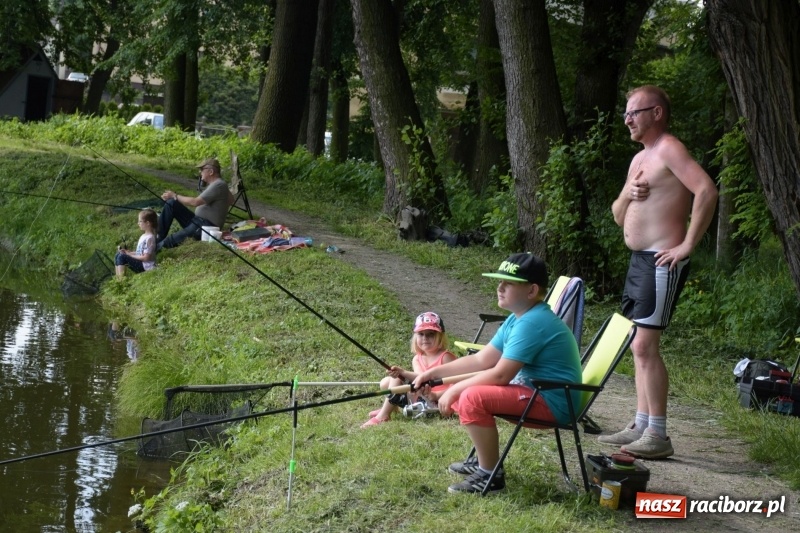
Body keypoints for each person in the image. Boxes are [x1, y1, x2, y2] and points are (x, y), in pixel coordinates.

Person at [599, 85, 718, 459]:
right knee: (638, 346)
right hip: (639, 262)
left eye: (635, 112)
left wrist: (686, 246)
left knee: (645, 345)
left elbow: (707, 190)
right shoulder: (639, 159)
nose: (628, 119)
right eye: (626, 114)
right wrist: (628, 195)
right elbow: (618, 215)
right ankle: (641, 423)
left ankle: (659, 434)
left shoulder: (669, 148)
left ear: (657, 114)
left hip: (661, 261)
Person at [412, 253, 582, 494]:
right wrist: (433, 373)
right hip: (536, 392)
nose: (499, 287)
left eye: (508, 283)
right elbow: (482, 359)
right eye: (499, 281)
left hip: (553, 401)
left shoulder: (532, 323)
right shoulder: (518, 318)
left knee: (471, 396)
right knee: (467, 392)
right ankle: (484, 462)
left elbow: (501, 375)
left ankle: (490, 475)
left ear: (531, 290)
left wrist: (454, 390)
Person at [361, 312, 456, 428]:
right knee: (386, 382)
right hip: (421, 397)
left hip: (437, 402)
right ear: (415, 337)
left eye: (430, 334)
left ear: (440, 336)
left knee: (396, 381)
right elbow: (420, 377)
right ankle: (392, 407)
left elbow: (457, 384)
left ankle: (383, 416)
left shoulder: (446, 357)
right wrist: (401, 374)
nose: (425, 338)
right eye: (421, 334)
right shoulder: (417, 358)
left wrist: (436, 395)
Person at [157, 158, 234, 250]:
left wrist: (175, 195)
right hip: (197, 220)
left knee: (170, 241)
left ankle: (149, 253)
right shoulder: (219, 184)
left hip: (205, 227)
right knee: (172, 203)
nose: (200, 172)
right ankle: (158, 236)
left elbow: (195, 202)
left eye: (202, 169)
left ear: (211, 171)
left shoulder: (218, 185)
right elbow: (231, 200)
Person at [115, 209, 158, 278]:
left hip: (146, 267)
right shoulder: (143, 236)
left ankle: (121, 282)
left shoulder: (150, 238)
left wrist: (130, 255)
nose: (138, 223)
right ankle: (118, 280)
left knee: (122, 257)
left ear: (148, 223)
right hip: (141, 263)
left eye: (140, 221)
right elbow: (140, 253)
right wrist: (128, 252)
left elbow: (146, 258)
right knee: (119, 254)